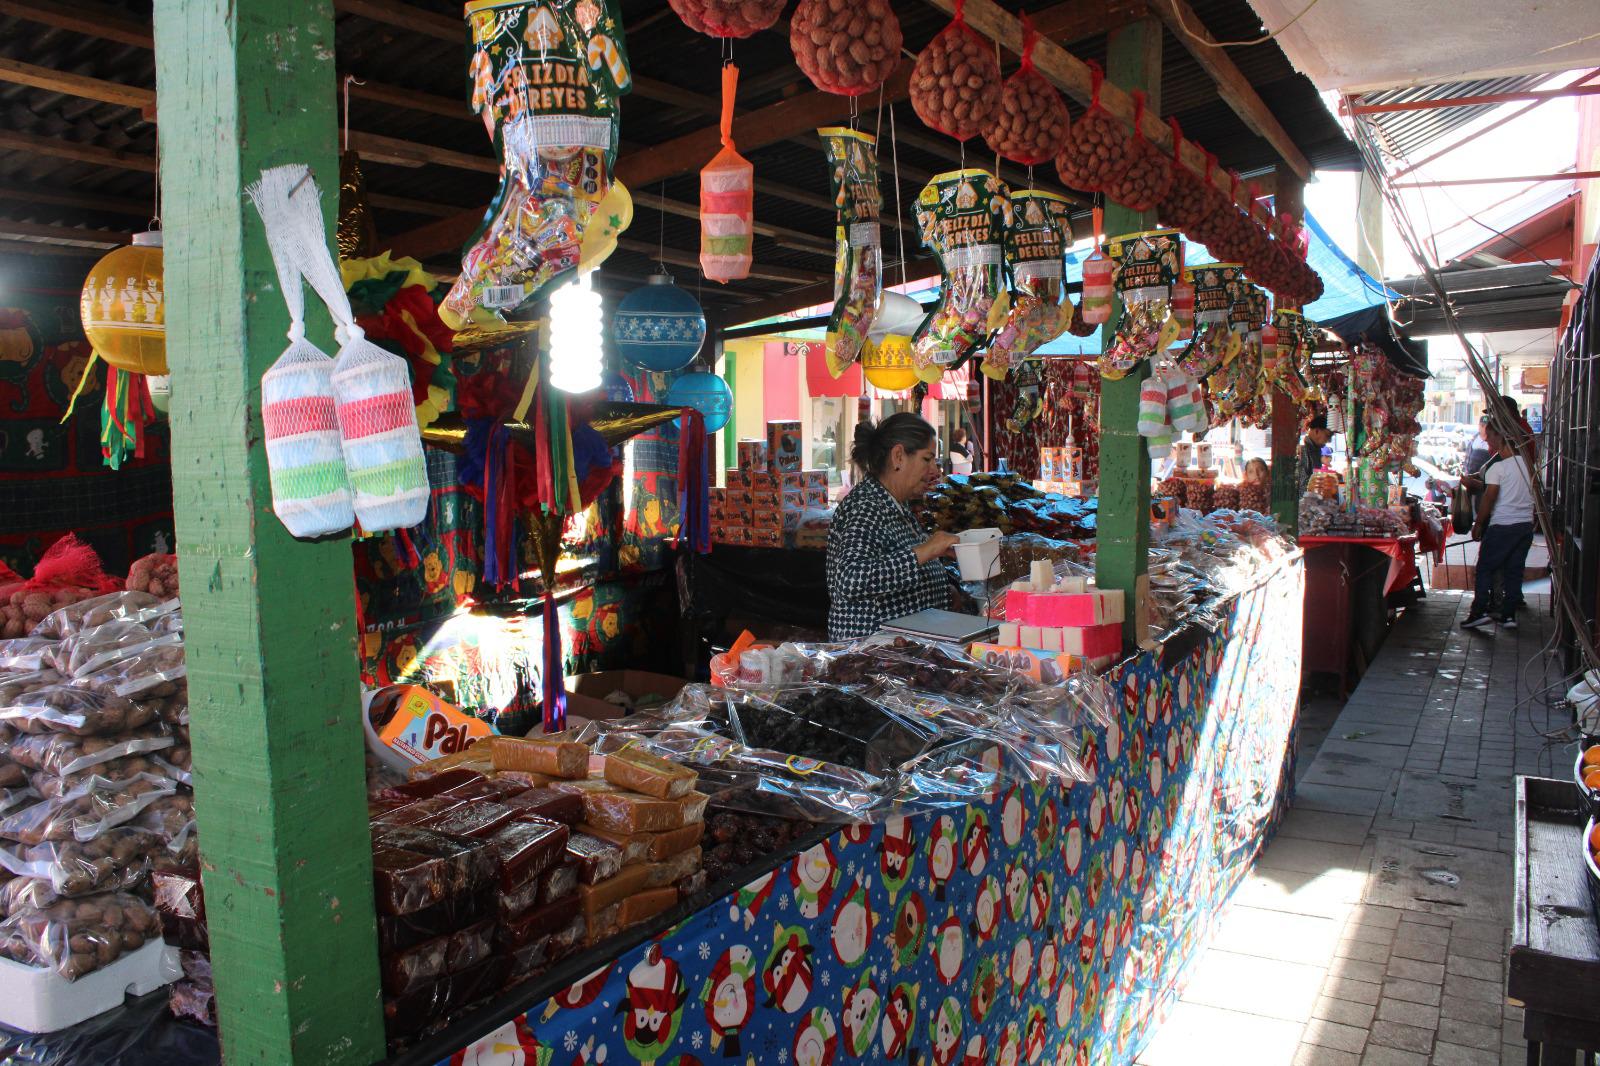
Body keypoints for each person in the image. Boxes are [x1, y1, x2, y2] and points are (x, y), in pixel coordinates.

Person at [826, 414, 956, 640]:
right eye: (927, 459)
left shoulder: (895, 504)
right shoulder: (865, 507)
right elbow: (850, 578)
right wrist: (926, 551)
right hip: (870, 656)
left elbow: (896, 563)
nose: (935, 470)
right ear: (898, 457)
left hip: (899, 653)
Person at [1462, 423, 1536, 632]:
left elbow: (1489, 498)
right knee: (1514, 571)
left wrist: (1479, 524)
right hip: (1524, 526)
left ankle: (1479, 612)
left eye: (1490, 439)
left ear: (1499, 437)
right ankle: (1508, 615)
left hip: (1503, 525)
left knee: (1485, 566)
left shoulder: (1499, 468)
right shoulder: (1528, 465)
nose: (1488, 444)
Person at [1298, 415, 1333, 495]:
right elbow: (1303, 487)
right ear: (1317, 431)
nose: (1329, 441)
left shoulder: (1315, 451)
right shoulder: (1303, 451)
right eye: (1327, 436)